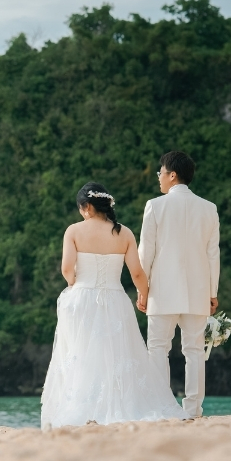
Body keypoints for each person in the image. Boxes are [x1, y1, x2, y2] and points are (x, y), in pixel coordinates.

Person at [41, 182, 187, 430]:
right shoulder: (124, 233)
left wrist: (77, 285)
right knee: (117, 354)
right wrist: (144, 295)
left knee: (82, 354)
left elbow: (66, 269)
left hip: (82, 299)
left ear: (87, 207)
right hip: (115, 299)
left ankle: (85, 407)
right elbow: (137, 273)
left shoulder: (73, 231)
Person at [138, 151, 220, 419]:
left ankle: (163, 408)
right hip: (198, 291)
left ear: (172, 175)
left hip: (161, 291)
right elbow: (213, 254)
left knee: (157, 348)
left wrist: (142, 289)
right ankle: (193, 410)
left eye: (160, 172)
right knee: (194, 351)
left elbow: (145, 252)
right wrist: (212, 292)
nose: (158, 177)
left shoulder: (155, 206)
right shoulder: (209, 208)